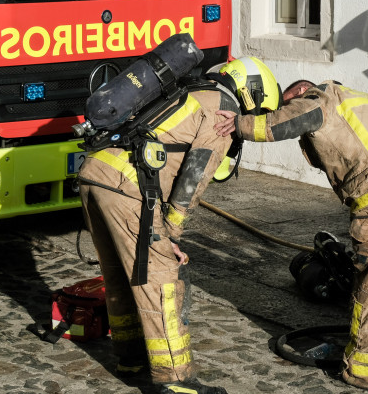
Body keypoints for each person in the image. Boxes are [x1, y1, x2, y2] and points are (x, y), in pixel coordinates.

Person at [215, 79, 368, 391]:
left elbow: (286, 122)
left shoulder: (321, 99)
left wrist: (239, 125)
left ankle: (364, 373)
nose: (289, 106)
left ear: (302, 92)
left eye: (289, 100)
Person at [78, 56, 280, 394]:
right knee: (161, 280)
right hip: (127, 182)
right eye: (256, 111)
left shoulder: (188, 90)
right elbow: (195, 176)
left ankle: (130, 359)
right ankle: (175, 379)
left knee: (119, 274)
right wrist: (171, 232)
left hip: (94, 171)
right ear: (252, 93)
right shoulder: (222, 109)